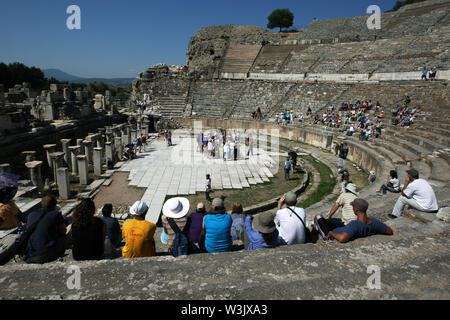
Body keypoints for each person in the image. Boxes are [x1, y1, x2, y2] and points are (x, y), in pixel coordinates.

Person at [314, 198, 393, 243]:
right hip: (343, 230)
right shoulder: (374, 222)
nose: (352, 208)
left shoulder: (355, 224)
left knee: (318, 217)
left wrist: (331, 233)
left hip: (331, 236)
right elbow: (390, 231)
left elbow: (342, 238)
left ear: (357, 209)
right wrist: (373, 230)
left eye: (353, 207)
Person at [23, 195, 67, 264]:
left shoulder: (31, 214)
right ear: (55, 205)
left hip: (30, 253)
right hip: (46, 254)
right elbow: (63, 231)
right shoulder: (56, 214)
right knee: (63, 237)